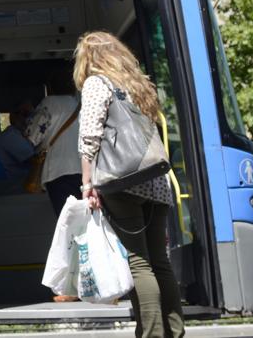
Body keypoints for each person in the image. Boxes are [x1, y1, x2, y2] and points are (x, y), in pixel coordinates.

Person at [76, 31, 184, 338]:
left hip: (121, 182)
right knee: (159, 261)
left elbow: (90, 136)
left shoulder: (98, 84)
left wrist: (87, 184)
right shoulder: (140, 84)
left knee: (138, 263)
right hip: (156, 180)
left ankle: (151, 334)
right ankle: (174, 331)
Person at [25, 67, 83, 218]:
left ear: (50, 87)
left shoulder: (49, 103)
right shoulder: (80, 104)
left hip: (58, 172)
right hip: (83, 170)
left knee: (68, 221)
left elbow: (32, 136)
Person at [0, 99, 36, 181]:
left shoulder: (21, 135)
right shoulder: (10, 136)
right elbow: (34, 161)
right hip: (13, 187)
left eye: (33, 115)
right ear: (13, 115)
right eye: (26, 114)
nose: (31, 119)